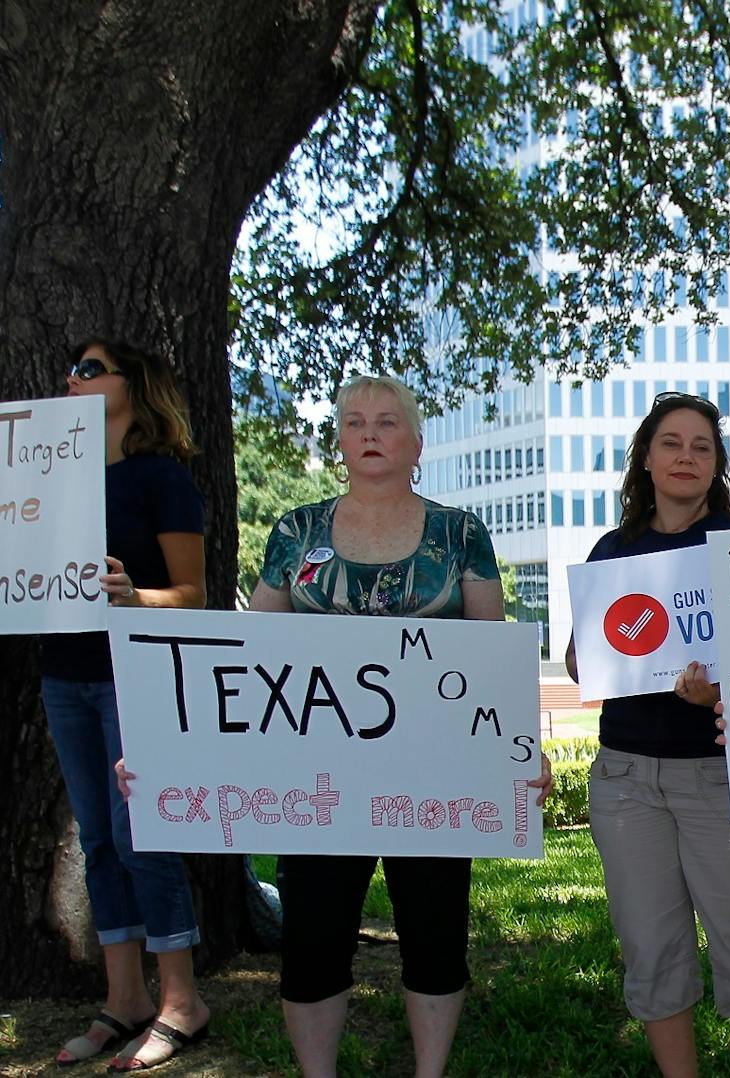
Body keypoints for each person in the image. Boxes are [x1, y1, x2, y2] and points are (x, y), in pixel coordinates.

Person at [221, 375, 544, 1078]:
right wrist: (187, 756)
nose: (370, 434)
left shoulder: (462, 534)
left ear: (416, 443)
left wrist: (521, 752)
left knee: (434, 935)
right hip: (319, 781)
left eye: (388, 422)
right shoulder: (294, 532)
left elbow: (491, 657)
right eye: (355, 422)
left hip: (432, 780)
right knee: (312, 939)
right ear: (337, 440)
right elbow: (249, 659)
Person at [567, 391, 730, 1077]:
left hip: (721, 777)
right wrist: (589, 657)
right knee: (652, 951)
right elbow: (587, 659)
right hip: (626, 779)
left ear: (718, 463)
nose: (686, 456)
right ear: (646, 457)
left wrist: (717, 693)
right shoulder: (613, 549)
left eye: (702, 446)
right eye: (671, 442)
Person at [42, 338, 213, 1070]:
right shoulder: (46, 482)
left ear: (133, 386)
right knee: (99, 841)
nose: (71, 377)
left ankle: (182, 1000)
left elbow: (194, 595)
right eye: (71, 367)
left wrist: (135, 596)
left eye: (89, 368)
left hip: (132, 676)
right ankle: (125, 1000)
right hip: (63, 675)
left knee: (144, 831)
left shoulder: (160, 480)